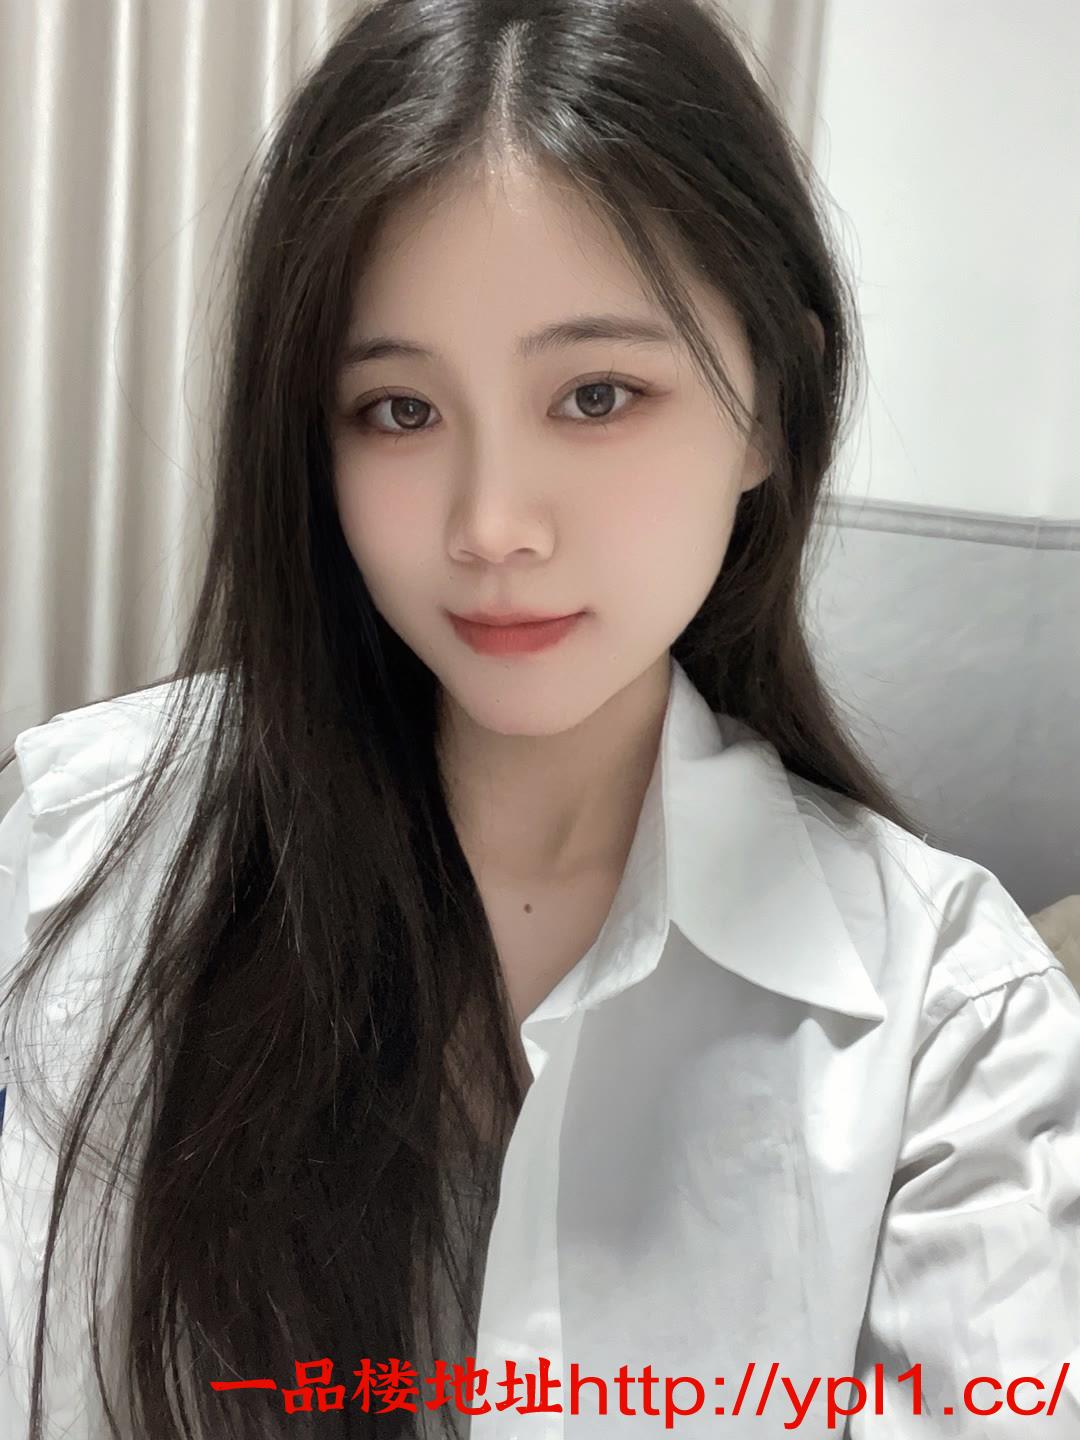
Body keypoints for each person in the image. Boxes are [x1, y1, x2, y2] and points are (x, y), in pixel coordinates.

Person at [1, 1, 1078, 1436]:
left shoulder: (953, 1026)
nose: (492, 524)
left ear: (770, 405)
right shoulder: (75, 860)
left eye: (596, 394)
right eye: (398, 410)